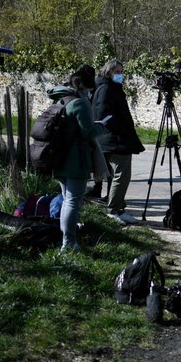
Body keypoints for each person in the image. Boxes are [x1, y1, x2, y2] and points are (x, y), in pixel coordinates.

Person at [47, 65, 105, 252]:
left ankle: (66, 240)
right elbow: (88, 132)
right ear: (84, 87)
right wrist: (102, 126)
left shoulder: (60, 99)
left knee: (66, 199)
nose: (90, 93)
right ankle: (69, 242)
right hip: (76, 158)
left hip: (59, 156)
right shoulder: (79, 103)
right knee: (72, 201)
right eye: (90, 90)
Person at [91, 59, 145, 225]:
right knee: (121, 175)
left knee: (121, 176)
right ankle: (113, 209)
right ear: (108, 72)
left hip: (114, 138)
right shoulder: (106, 89)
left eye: (121, 72)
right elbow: (103, 114)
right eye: (117, 72)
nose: (120, 75)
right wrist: (121, 128)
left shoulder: (111, 88)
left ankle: (119, 208)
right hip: (113, 139)